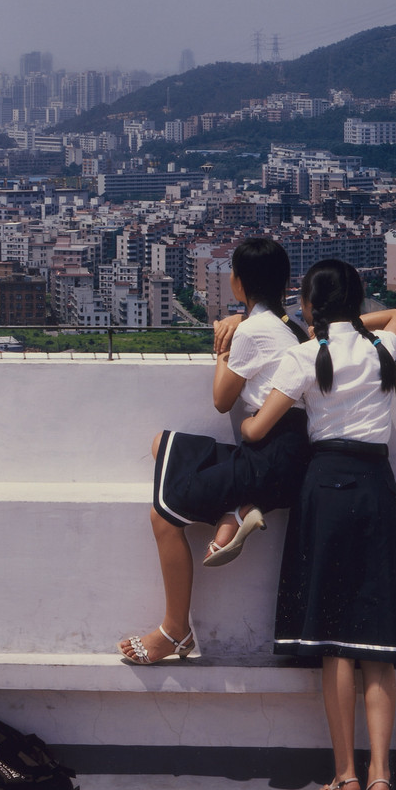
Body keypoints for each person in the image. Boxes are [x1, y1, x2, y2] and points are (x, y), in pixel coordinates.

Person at [236, 258, 396, 790]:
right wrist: (349, 318)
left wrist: (303, 326)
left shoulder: (305, 356)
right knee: (377, 641)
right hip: (376, 486)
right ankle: (383, 774)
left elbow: (256, 429)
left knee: (335, 640)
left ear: (310, 306)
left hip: (326, 490)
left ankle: (346, 776)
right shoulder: (383, 345)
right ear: (356, 303)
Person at [118, 237, 310, 666]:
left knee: (163, 515)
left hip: (268, 458)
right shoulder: (287, 325)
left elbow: (222, 400)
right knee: (164, 446)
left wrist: (226, 341)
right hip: (286, 453)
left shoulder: (254, 331)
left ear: (238, 283)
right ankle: (240, 507)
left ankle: (174, 630)